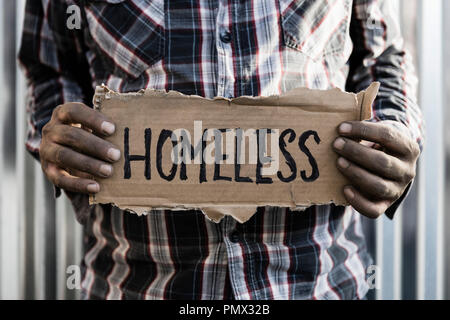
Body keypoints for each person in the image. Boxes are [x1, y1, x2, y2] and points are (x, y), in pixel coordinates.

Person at [18, 0, 422, 300]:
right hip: (135, 283)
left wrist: (394, 131)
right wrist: (57, 138)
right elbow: (49, 66)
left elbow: (382, 56)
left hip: (317, 281)